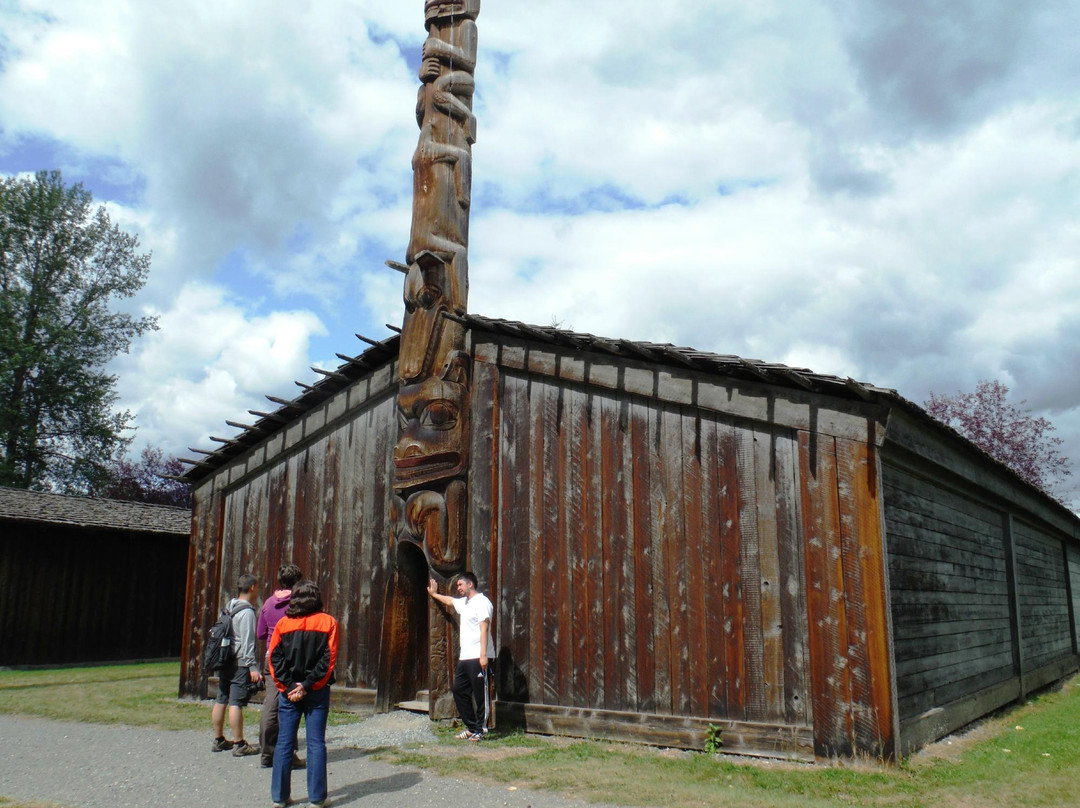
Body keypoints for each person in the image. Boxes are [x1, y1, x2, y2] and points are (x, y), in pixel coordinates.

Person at [268, 580, 338, 808]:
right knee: (316, 742)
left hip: (290, 692)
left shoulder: (282, 624)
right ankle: (317, 798)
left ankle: (280, 796)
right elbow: (328, 660)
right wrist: (306, 685)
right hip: (316, 690)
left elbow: (274, 660)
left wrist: (289, 686)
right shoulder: (328, 622)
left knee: (284, 743)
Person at [426, 571, 495, 741]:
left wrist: (483, 655)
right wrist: (434, 594)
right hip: (465, 657)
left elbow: (484, 628)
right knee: (459, 690)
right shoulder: (465, 603)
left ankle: (481, 729)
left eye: (460, 585)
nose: (458, 588)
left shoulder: (482, 602)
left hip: (479, 656)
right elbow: (450, 601)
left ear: (470, 584)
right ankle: (472, 727)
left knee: (480, 695)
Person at [257, 563, 305, 769]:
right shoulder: (297, 603)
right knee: (291, 704)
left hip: (271, 656)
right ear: (296, 582)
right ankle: (289, 753)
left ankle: (267, 752)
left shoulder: (268, 603)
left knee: (270, 703)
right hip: (291, 656)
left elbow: (260, 633)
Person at [210, 573, 263, 757]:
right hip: (239, 662)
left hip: (225, 660)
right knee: (235, 703)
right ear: (252, 588)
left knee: (221, 698)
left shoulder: (229, 606)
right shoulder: (247, 612)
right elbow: (248, 642)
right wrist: (253, 667)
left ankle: (218, 739)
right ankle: (239, 743)